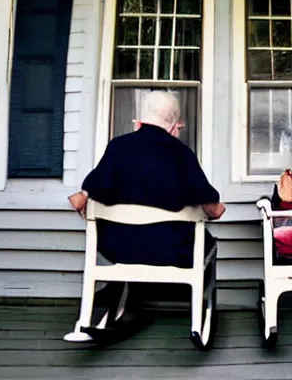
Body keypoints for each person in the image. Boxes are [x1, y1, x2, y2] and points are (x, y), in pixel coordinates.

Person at [68, 91, 225, 322]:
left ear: (139, 121)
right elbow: (213, 209)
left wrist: (84, 195)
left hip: (118, 247)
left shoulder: (118, 147)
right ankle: (202, 305)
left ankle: (122, 295)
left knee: (130, 235)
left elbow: (89, 191)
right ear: (173, 124)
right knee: (208, 242)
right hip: (169, 250)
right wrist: (215, 208)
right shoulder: (180, 153)